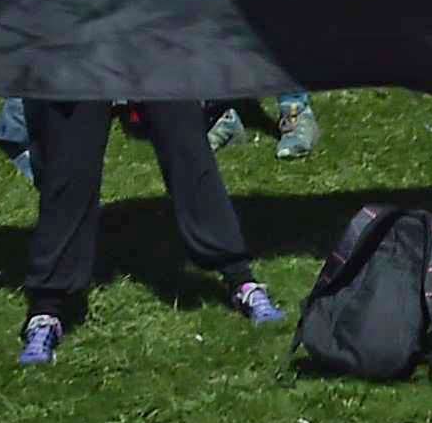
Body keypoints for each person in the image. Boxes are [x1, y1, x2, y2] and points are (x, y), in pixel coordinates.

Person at [15, 100, 287, 360]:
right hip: (76, 57)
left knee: (187, 146)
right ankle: (46, 311)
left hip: (150, 54)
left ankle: (240, 279)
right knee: (69, 164)